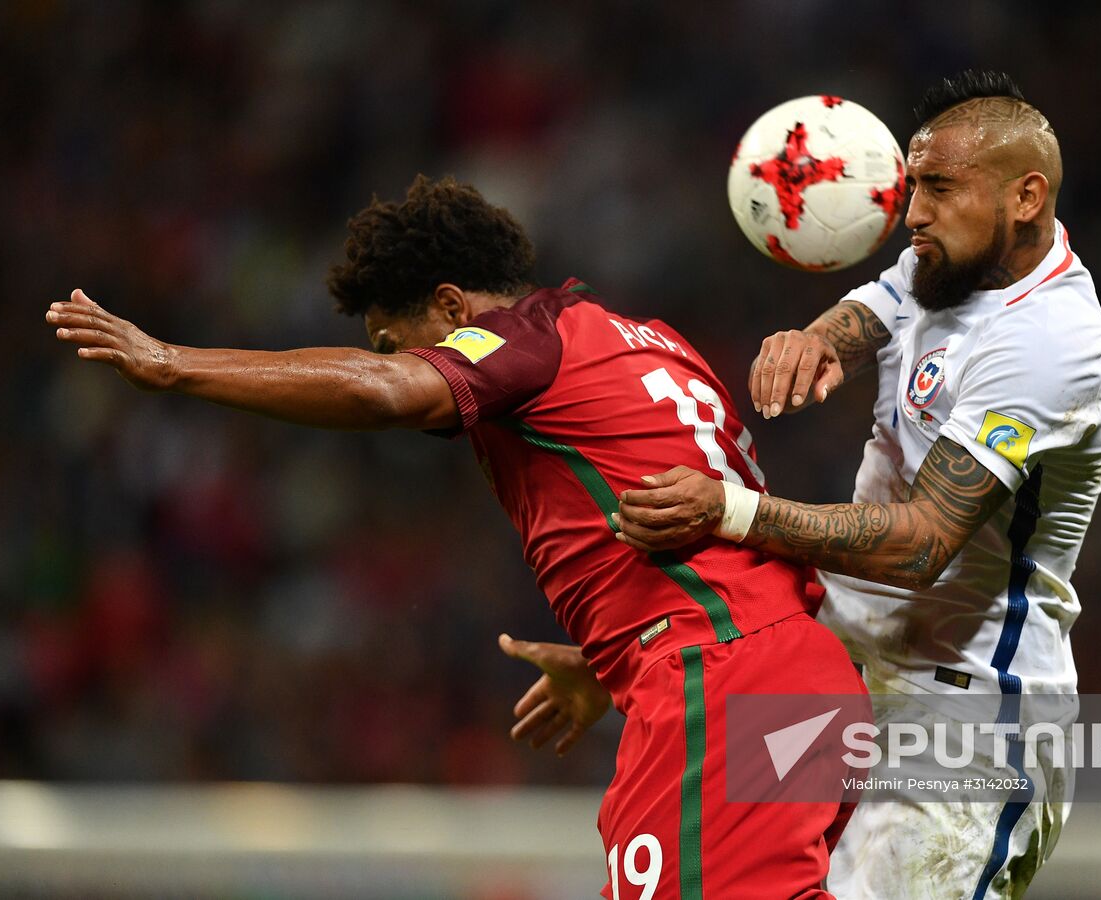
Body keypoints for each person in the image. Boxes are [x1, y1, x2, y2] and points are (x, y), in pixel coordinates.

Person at [45, 175, 866, 900]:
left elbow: (385, 395)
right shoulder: (651, 340)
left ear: (448, 308)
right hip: (799, 671)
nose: (393, 356)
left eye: (391, 337)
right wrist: (609, 659)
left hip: (715, 679)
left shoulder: (523, 336)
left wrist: (171, 365)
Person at [514, 71, 1101, 899]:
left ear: (1026, 196)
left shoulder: (1053, 342)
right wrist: (813, 338)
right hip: (846, 683)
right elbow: (872, 311)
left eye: (940, 190)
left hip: (962, 721)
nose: (912, 216)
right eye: (913, 189)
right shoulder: (943, 266)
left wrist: (733, 510)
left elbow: (918, 546)